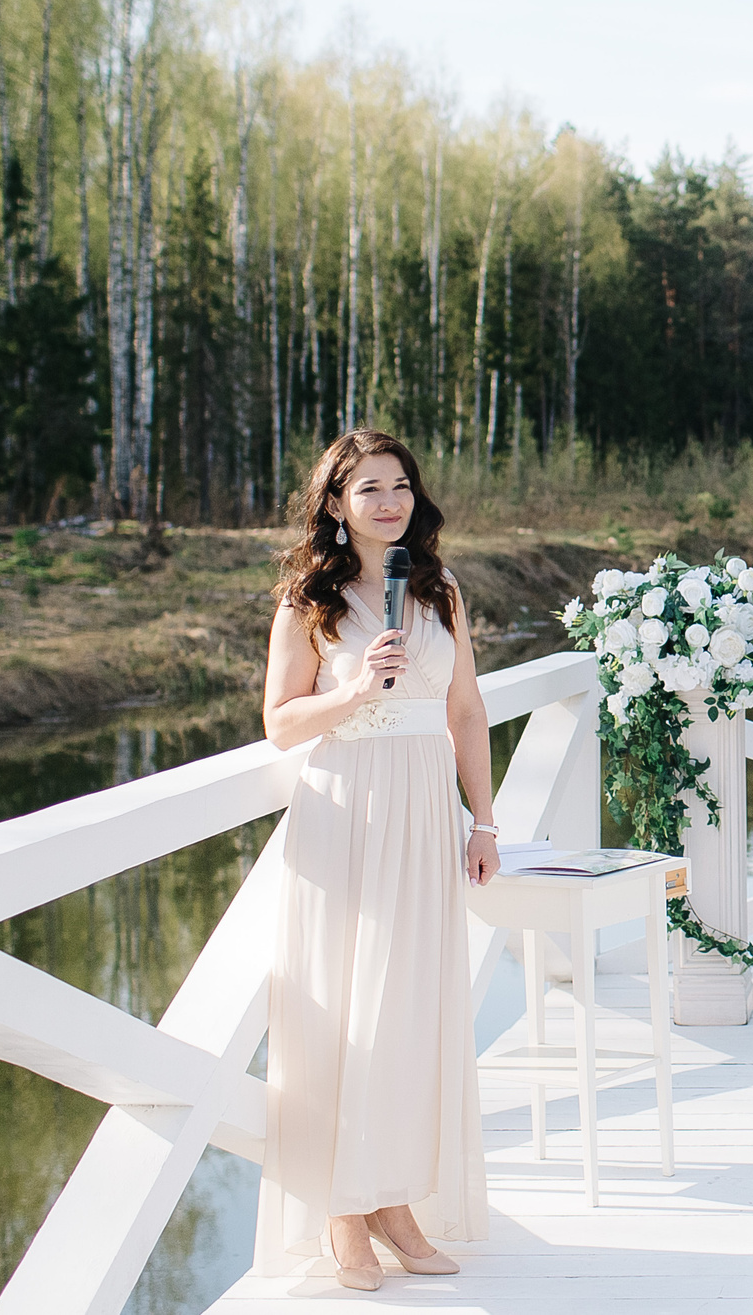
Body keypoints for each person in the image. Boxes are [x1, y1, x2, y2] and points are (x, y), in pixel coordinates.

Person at [254, 429, 496, 1291]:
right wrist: (351, 692)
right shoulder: (307, 597)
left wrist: (484, 822)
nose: (388, 501)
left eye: (399, 486)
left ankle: (394, 1200)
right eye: (367, 489)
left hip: (426, 815)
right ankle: (343, 1212)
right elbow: (280, 721)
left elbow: (466, 710)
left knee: (408, 1012)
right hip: (348, 812)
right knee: (347, 1011)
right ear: (334, 504)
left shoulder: (440, 589)